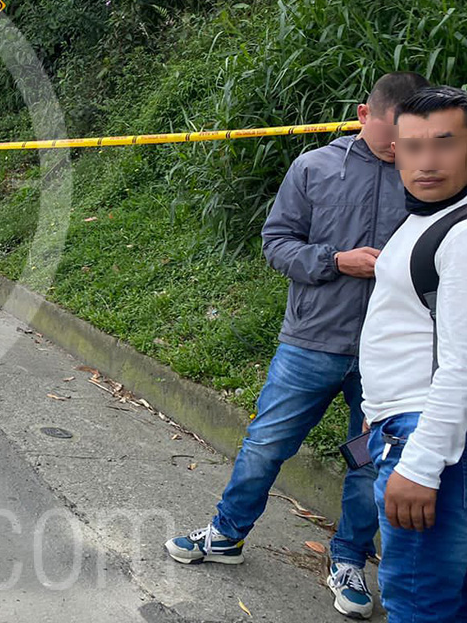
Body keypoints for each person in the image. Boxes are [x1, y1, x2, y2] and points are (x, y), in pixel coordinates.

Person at [164, 72, 430, 620]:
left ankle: (349, 558)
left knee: (369, 462)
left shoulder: (428, 178)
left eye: (409, 132)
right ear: (363, 114)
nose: (398, 144)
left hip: (393, 356)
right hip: (312, 342)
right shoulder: (315, 168)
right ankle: (226, 534)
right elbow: (277, 242)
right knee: (266, 443)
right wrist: (336, 261)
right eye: (389, 130)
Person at [359, 85, 467, 623]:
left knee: (419, 602)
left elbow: (464, 364)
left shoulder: (462, 233)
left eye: (444, 144)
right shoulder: (426, 216)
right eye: (413, 146)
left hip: (428, 441)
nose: (427, 162)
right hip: (402, 428)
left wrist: (421, 466)